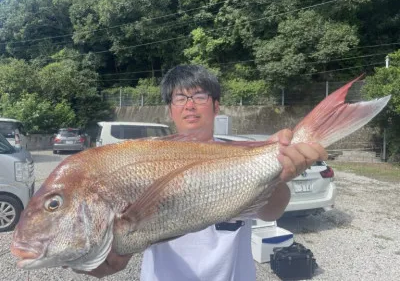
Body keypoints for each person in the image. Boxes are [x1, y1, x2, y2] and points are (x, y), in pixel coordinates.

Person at [80, 65, 328, 280]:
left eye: (199, 96)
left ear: (216, 106)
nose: (189, 105)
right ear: (170, 109)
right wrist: (108, 254)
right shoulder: (144, 163)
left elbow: (271, 211)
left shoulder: (240, 155)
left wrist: (279, 174)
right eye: (180, 98)